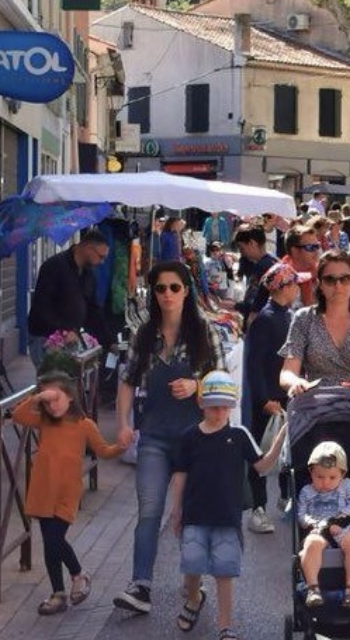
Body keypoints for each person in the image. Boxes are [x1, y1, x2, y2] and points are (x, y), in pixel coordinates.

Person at [113, 261, 227, 616]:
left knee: (190, 514)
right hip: (155, 438)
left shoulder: (204, 331)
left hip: (195, 439)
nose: (167, 295)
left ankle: (193, 583)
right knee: (149, 510)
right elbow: (128, 381)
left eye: (174, 288)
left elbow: (223, 383)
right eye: (160, 289)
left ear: (186, 290)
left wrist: (197, 385)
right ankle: (140, 585)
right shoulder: (143, 335)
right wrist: (123, 423)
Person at [170, 371, 286, 640]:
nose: (220, 411)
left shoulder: (239, 435)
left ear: (231, 405)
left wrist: (279, 439)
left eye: (225, 405)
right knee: (191, 565)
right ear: (201, 405)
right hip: (195, 513)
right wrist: (176, 510)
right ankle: (195, 597)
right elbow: (180, 475)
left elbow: (261, 466)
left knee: (224, 573)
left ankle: (225, 626)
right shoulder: (189, 437)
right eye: (214, 406)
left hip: (226, 517)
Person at [13, 371, 125, 615]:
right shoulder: (44, 421)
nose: (52, 406)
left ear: (71, 398)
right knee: (50, 544)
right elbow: (18, 415)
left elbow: (103, 451)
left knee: (55, 539)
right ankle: (58, 593)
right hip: (43, 489)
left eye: (57, 399)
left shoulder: (84, 425)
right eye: (48, 402)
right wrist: (37, 397)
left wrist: (122, 446)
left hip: (66, 492)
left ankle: (78, 575)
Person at [244, 263, 309, 534]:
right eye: (295, 282)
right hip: (269, 401)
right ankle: (258, 508)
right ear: (284, 287)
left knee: (285, 453)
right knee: (261, 454)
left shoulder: (287, 315)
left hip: (285, 398)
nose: (299, 287)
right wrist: (262, 399)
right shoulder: (266, 319)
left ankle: (285, 497)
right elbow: (254, 365)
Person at [280, 251, 350, 397]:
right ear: (319, 284)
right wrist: (295, 383)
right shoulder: (304, 318)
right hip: (314, 404)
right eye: (330, 280)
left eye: (345, 279)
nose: (338, 285)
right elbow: (288, 371)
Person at [297, 441, 350, 610]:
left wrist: (340, 521)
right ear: (311, 472)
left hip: (343, 528)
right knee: (311, 543)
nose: (325, 482)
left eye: (332, 477)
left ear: (342, 475)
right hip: (319, 530)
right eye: (319, 477)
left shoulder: (347, 486)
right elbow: (301, 515)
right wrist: (311, 522)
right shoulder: (306, 491)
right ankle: (313, 589)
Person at [27, 230, 110, 367]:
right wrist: (64, 330)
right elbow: (42, 306)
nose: (102, 262)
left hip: (71, 338)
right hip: (46, 336)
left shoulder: (88, 274)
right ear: (88, 248)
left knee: (71, 381)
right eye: (100, 256)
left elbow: (93, 310)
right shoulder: (54, 267)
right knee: (54, 380)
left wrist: (108, 340)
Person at [282, 225, 323, 307]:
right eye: (310, 247)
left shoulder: (323, 274)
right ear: (295, 251)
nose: (317, 252)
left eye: (317, 246)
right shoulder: (279, 279)